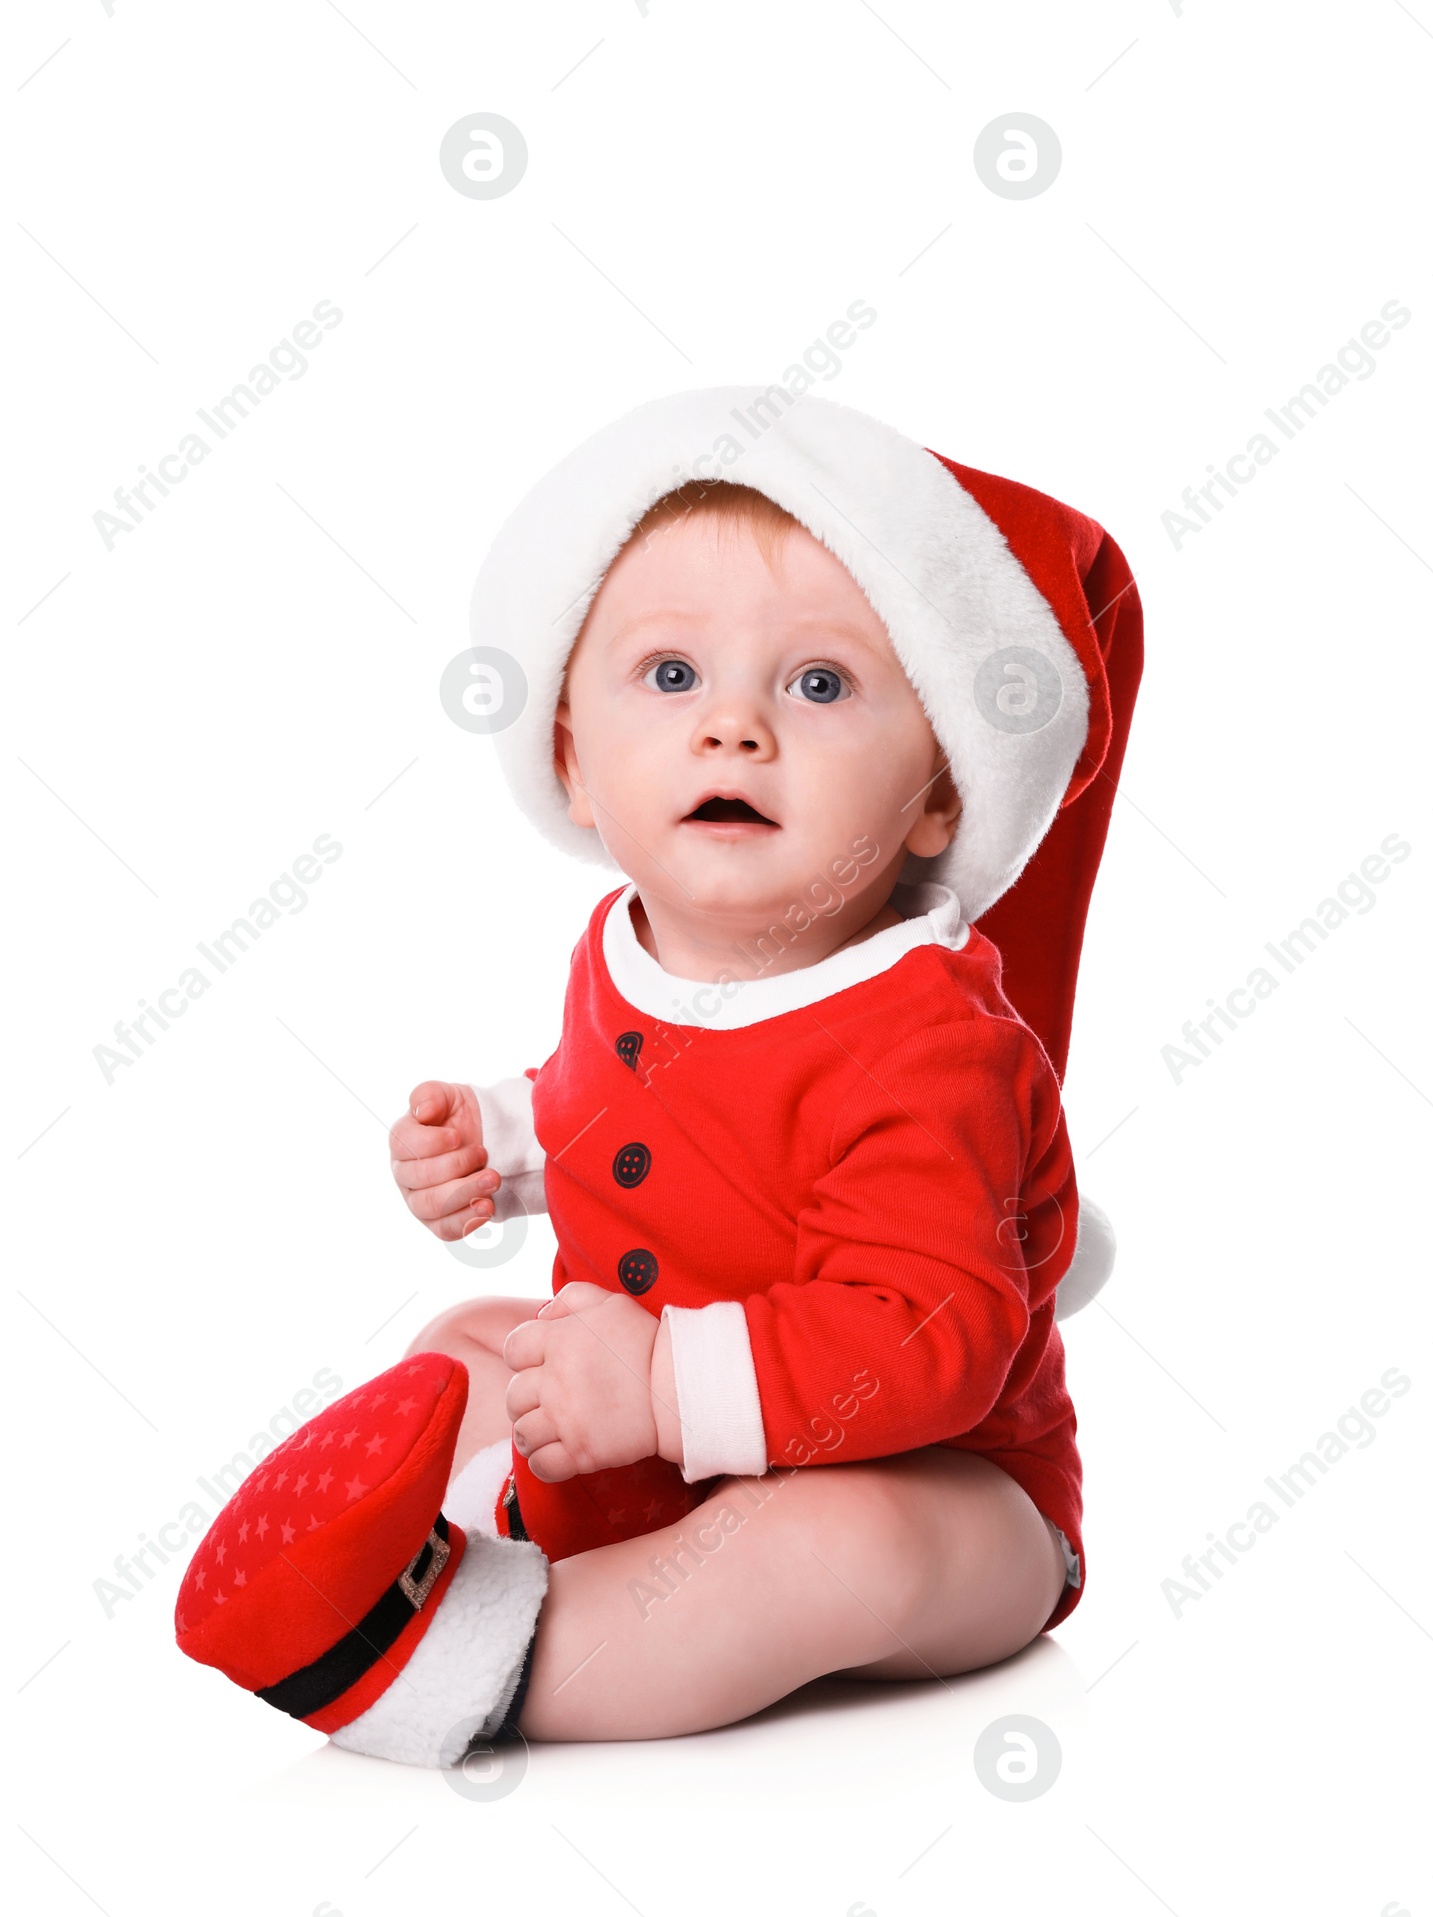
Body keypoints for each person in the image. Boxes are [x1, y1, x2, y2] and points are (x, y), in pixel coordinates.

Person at [175, 390, 1142, 1767]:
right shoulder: (626, 949)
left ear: (939, 796)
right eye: (672, 675)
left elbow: (929, 1331)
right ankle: (465, 1533)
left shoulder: (931, 1036)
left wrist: (660, 1390)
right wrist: (499, 1142)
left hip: (944, 1479)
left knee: (822, 1546)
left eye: (819, 684)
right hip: (676, 1425)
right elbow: (615, 1105)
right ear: (574, 760)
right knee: (471, 1344)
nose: (735, 727)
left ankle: (465, 1660)